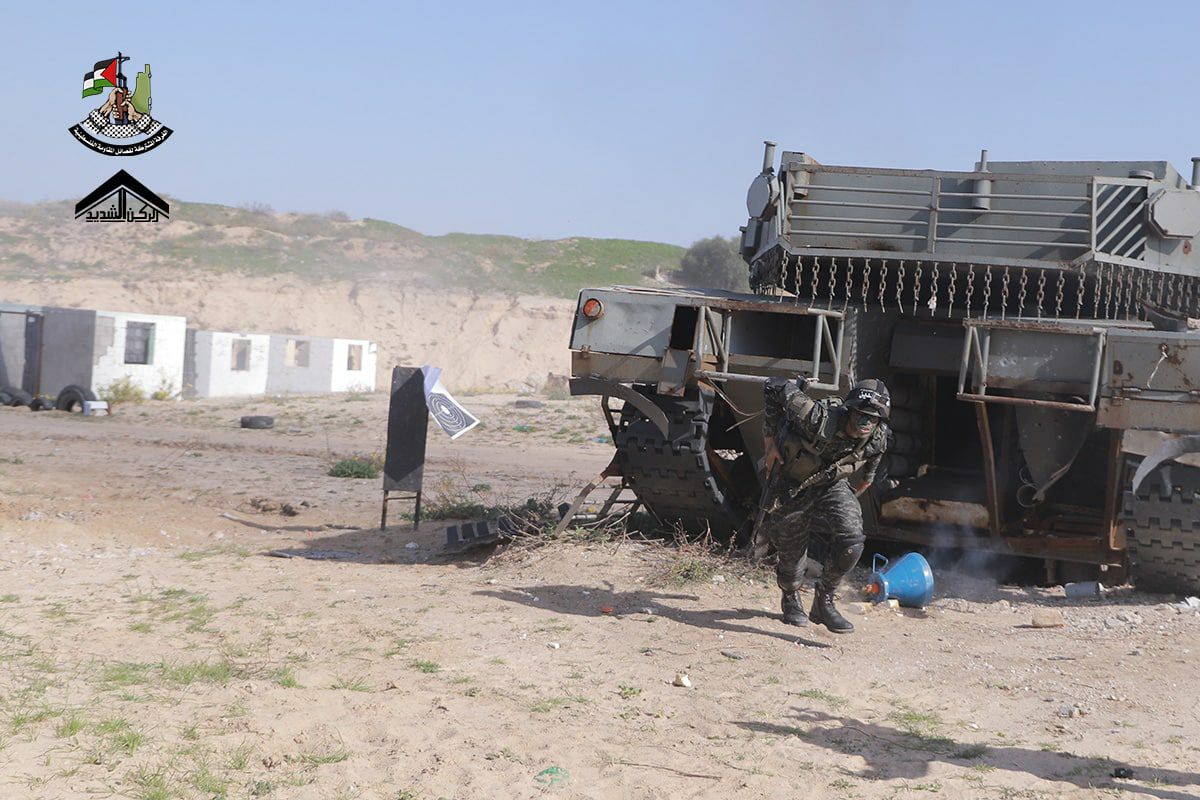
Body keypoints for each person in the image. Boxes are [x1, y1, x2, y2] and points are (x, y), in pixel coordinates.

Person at [760, 377, 890, 633]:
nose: (866, 423)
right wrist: (769, 443)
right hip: (792, 486)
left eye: (873, 418)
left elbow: (876, 453)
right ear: (849, 410)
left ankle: (824, 601)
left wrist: (865, 481)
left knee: (852, 540)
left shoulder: (878, 435)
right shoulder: (817, 417)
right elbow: (773, 386)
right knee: (791, 562)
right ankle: (790, 597)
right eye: (861, 415)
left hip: (830, 485)